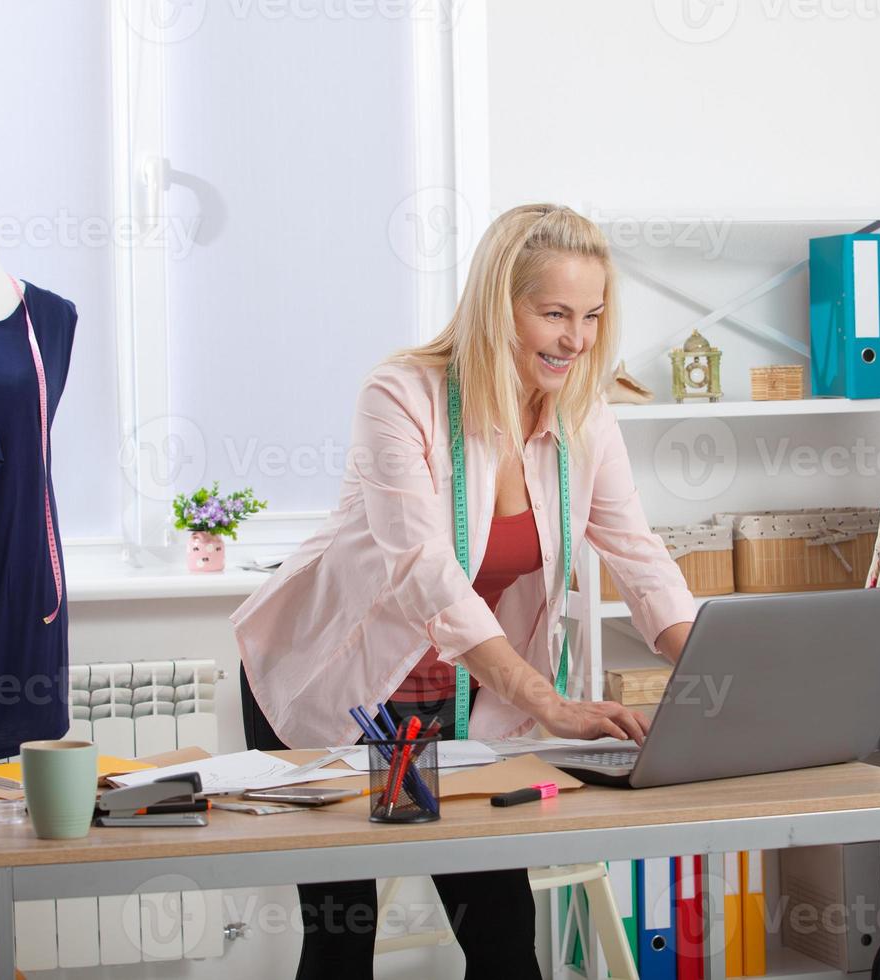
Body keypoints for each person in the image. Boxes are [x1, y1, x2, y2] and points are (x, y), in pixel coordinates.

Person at [231, 203, 697, 978]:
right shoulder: (401, 396)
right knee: (344, 936)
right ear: (497, 308)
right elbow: (423, 570)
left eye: (590, 316)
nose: (576, 339)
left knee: (505, 937)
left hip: (460, 702)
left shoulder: (583, 416)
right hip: (338, 687)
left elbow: (638, 553)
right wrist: (547, 701)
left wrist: (718, 668)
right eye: (553, 314)